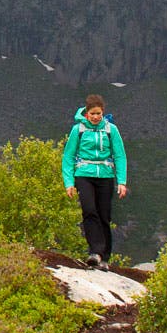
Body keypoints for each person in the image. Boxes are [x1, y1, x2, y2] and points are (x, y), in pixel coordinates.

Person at [61, 93, 127, 268]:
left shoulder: (111, 129)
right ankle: (95, 252)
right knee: (89, 210)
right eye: (93, 114)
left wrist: (121, 181)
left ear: (103, 112)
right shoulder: (79, 130)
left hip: (105, 175)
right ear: (86, 114)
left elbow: (119, 155)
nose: (96, 117)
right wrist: (69, 182)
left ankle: (104, 257)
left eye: (99, 114)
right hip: (84, 174)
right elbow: (68, 157)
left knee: (104, 215)